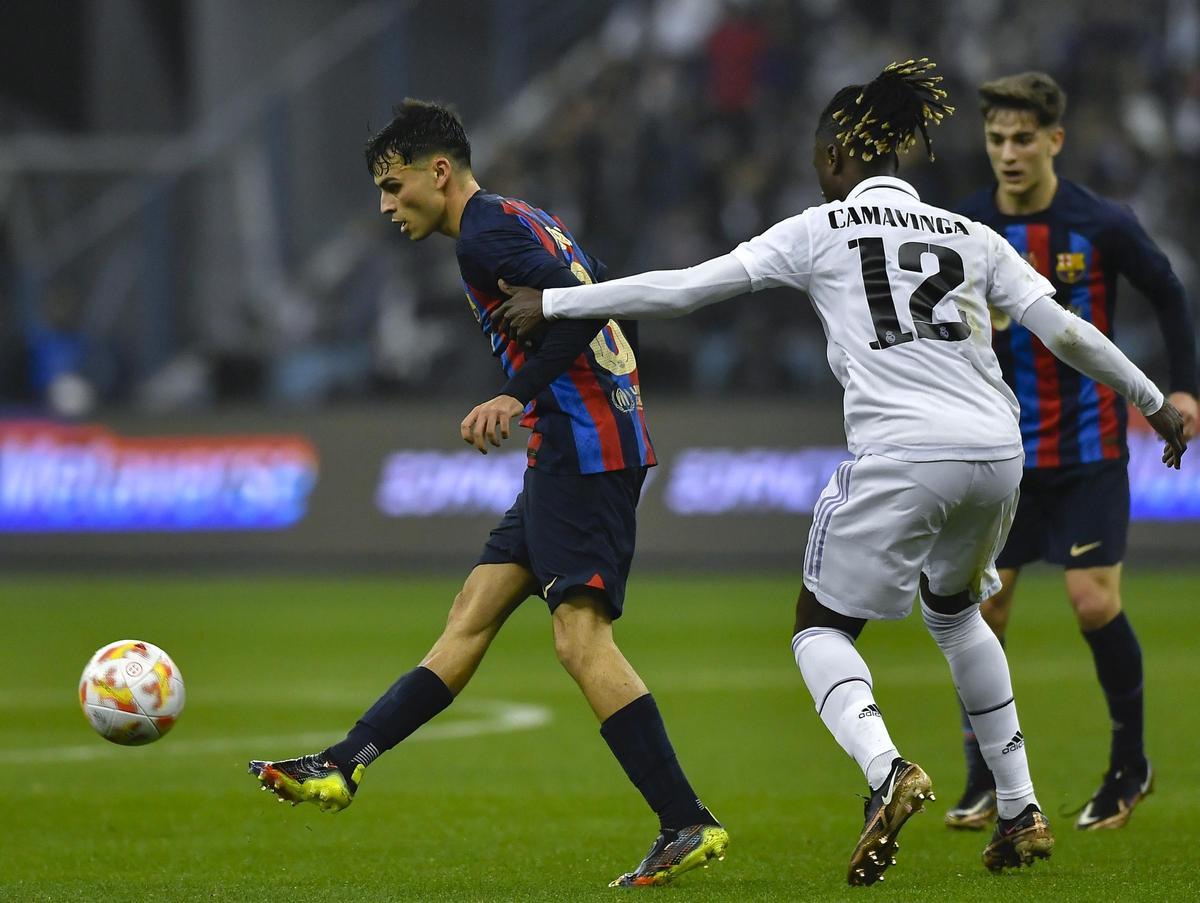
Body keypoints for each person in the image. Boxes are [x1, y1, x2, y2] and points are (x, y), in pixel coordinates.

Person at [495, 59, 1189, 885]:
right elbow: (1066, 334)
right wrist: (1153, 399)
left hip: (903, 450)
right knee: (960, 615)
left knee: (817, 627)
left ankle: (888, 768)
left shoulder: (820, 228)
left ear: (834, 162)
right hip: (1000, 453)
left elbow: (686, 289)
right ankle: (1021, 807)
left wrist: (561, 302)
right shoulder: (971, 235)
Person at [248, 100, 729, 889]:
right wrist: (618, 390)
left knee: (579, 639)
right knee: (472, 612)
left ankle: (686, 820)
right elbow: (598, 288)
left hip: (584, 451)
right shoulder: (523, 216)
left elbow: (583, 305)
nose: (385, 205)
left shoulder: (484, 232)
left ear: (438, 173)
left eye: (392, 185)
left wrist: (520, 392)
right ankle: (341, 764)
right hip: (576, 443)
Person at [942, 72, 1199, 833]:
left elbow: (1169, 291)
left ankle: (1130, 765)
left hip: (1088, 450)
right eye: (996, 139)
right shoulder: (966, 229)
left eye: (1023, 139)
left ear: (1054, 140)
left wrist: (1182, 390)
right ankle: (984, 773)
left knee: (1093, 601)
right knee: (983, 609)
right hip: (1000, 458)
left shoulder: (1101, 223)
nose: (1009, 153)